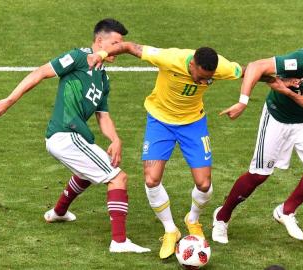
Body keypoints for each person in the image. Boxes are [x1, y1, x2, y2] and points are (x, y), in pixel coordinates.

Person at [0, 18, 150, 253]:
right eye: (114, 43)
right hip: (65, 135)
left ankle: (58, 212)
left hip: (73, 137)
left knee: (86, 172)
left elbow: (103, 116)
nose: (118, 48)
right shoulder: (78, 57)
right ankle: (119, 242)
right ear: (99, 41)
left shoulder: (103, 78)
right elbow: (41, 72)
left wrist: (115, 139)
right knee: (118, 178)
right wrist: (10, 100)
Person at [88, 42, 243, 258]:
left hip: (193, 124)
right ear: (192, 65)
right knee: (151, 179)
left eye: (209, 78)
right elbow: (130, 47)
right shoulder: (169, 58)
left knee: (204, 184)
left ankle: (193, 219)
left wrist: (248, 98)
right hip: (160, 122)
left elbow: (251, 70)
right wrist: (102, 53)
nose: (204, 81)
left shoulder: (222, 67)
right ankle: (170, 229)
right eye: (200, 76)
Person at [213, 44, 303, 243]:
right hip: (278, 117)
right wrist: (243, 102)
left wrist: (288, 92)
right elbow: (255, 66)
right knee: (258, 176)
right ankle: (221, 217)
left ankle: (286, 211)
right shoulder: (298, 60)